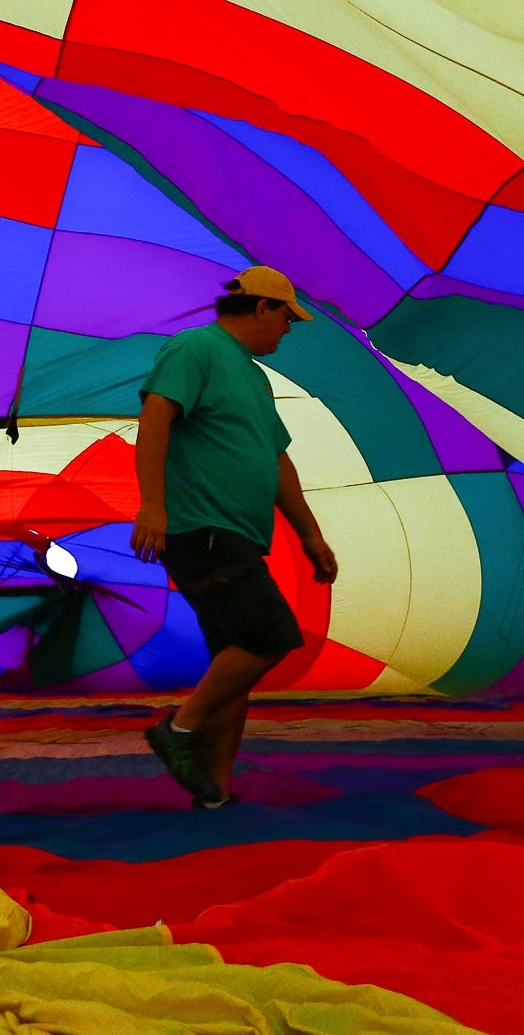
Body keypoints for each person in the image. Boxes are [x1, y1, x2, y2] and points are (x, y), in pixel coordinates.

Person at [133, 266, 339, 807]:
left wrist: (311, 535)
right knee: (268, 637)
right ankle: (178, 730)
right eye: (288, 318)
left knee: (235, 658)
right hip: (203, 529)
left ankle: (213, 792)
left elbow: (277, 461)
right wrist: (152, 505)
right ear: (264, 308)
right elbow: (155, 419)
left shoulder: (255, 377)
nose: (290, 330)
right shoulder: (195, 349)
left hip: (238, 534)